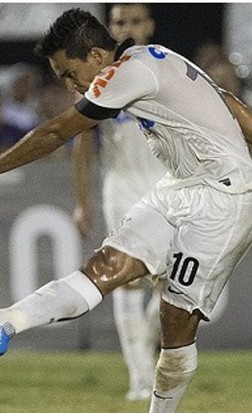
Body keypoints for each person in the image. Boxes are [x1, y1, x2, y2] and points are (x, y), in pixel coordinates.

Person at [0, 9, 252, 413]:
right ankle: (2, 323)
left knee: (175, 320)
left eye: (69, 73)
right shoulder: (154, 57)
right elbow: (229, 103)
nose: (71, 84)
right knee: (105, 268)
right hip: (179, 187)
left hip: (223, 198)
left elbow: (56, 132)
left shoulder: (125, 74)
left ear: (96, 55)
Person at [71, 3, 163, 401]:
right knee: (126, 282)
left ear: (150, 26)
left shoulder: (166, 70)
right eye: (120, 22)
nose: (127, 28)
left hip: (165, 186)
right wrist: (82, 202)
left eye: (135, 21)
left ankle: (148, 346)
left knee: (176, 285)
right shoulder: (99, 80)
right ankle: (141, 380)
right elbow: (81, 142)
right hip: (122, 188)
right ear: (109, 28)